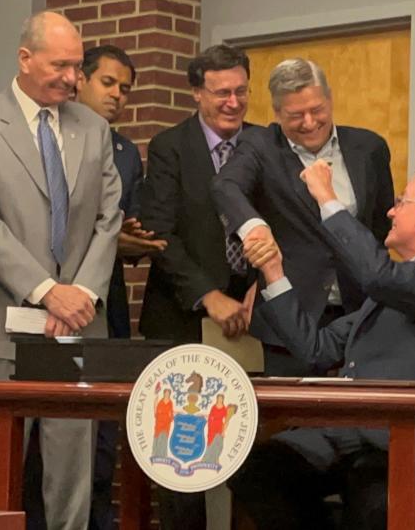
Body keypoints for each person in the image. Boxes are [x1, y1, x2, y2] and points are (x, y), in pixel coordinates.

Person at [229, 166, 415, 530]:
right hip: (343, 432)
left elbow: (380, 277)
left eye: (401, 203)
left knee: (371, 499)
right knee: (257, 469)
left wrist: (327, 198)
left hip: (405, 441)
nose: (390, 212)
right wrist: (273, 271)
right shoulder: (391, 286)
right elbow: (315, 348)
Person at [0, 11, 121, 529]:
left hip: (75, 329)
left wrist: (81, 296)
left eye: (77, 66)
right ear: (25, 59)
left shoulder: (94, 128)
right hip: (0, 327)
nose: (73, 78)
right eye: (61, 65)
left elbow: (107, 219)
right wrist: (48, 292)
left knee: (72, 472)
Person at [211, 57, 395, 375]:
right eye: (296, 115)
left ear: (330, 99)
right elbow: (225, 186)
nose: (309, 122)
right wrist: (255, 229)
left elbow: (380, 228)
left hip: (359, 313)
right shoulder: (260, 146)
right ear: (277, 113)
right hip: (291, 319)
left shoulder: (370, 148)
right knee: (295, 421)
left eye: (317, 110)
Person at [138, 43, 254, 530]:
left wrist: (257, 293)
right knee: (184, 464)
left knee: (247, 455)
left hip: (251, 325)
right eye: (221, 92)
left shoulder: (264, 145)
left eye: (241, 91)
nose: (233, 102)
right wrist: (210, 295)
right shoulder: (170, 147)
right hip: (182, 323)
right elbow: (159, 233)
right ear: (196, 93)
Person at [75, 43, 166, 530]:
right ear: (80, 80)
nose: (117, 96)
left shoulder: (126, 151)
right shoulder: (59, 136)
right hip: (55, 299)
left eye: (125, 89)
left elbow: (122, 234)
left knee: (107, 422)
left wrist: (137, 241)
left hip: (107, 305)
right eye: (107, 83)